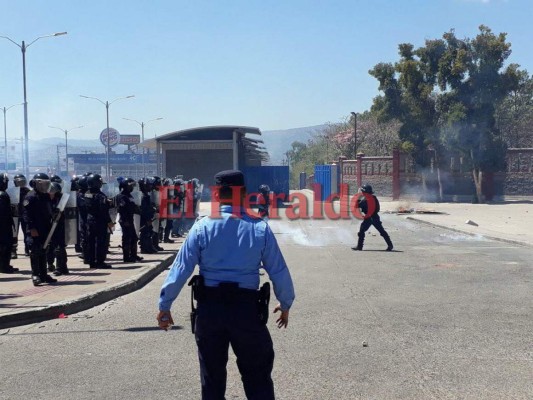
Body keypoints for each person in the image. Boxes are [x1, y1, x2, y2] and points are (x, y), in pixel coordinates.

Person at [157, 169, 295, 400]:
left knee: (212, 378)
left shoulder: (201, 227)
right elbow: (278, 270)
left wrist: (165, 305)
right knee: (257, 376)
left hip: (210, 312)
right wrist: (286, 303)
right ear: (244, 195)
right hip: (247, 311)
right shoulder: (259, 227)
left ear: (217, 195)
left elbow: (181, 268)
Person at [23, 173, 57, 286]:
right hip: (34, 229)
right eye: (43, 184)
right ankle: (35, 275)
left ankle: (44, 274)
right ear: (37, 183)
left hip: (45, 228)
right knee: (35, 252)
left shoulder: (46, 196)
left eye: (47, 184)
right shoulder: (30, 196)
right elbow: (27, 215)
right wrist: (31, 228)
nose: (45, 186)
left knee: (44, 251)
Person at [352, 184, 394, 251]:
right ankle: (390, 245)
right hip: (375, 217)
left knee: (362, 230)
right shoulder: (374, 198)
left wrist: (358, 196)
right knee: (382, 231)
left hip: (369, 218)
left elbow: (356, 206)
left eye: (362, 192)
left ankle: (359, 247)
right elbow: (378, 208)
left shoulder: (365, 200)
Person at [85, 173, 114, 269]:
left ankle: (91, 261)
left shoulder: (87, 194)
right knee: (100, 242)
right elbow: (103, 210)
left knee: (91, 241)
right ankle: (100, 261)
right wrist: (109, 221)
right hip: (100, 221)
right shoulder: (100, 195)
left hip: (90, 220)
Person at [116, 177, 143, 262]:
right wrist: (126, 221)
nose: (132, 188)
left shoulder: (129, 195)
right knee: (127, 238)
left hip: (130, 219)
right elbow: (122, 210)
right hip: (125, 220)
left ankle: (134, 255)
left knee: (134, 237)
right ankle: (126, 257)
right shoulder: (122, 196)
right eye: (130, 186)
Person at [46, 182, 70, 276]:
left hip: (60, 226)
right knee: (50, 246)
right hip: (49, 226)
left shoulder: (62, 199)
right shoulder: (46, 198)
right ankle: (51, 264)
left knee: (59, 248)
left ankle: (61, 267)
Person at [0, 173, 19, 274]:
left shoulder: (3, 193)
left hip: (4, 224)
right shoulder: (2, 195)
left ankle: (5, 265)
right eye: (5, 182)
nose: (7, 183)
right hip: (4, 225)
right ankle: (4, 266)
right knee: (6, 246)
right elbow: (4, 212)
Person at [12, 174, 30, 258]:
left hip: (24, 214)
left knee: (27, 233)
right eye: (19, 182)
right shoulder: (12, 191)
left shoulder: (27, 191)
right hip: (15, 215)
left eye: (22, 181)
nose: (21, 183)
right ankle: (13, 250)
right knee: (14, 234)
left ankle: (27, 249)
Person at [139, 177, 158, 254]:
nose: (151, 187)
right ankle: (144, 248)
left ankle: (148, 247)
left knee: (149, 232)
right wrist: (148, 219)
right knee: (145, 233)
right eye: (149, 185)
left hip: (148, 218)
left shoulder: (146, 195)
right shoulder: (143, 196)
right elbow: (144, 210)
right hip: (144, 219)